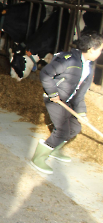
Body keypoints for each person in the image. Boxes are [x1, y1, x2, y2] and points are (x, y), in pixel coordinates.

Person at [31, 31, 103, 174]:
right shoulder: (68, 60)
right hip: (54, 99)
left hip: (68, 100)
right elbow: (45, 74)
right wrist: (53, 93)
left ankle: (54, 150)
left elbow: (80, 93)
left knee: (75, 127)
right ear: (90, 49)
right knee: (62, 131)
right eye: (100, 49)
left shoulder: (88, 66)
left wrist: (81, 112)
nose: (101, 52)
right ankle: (38, 158)